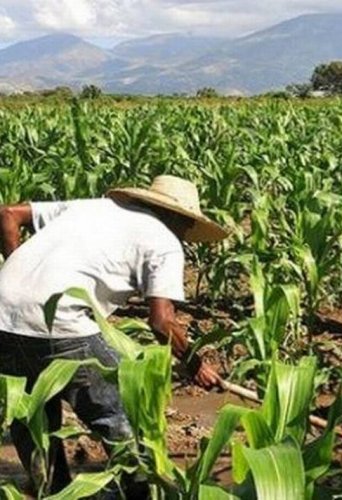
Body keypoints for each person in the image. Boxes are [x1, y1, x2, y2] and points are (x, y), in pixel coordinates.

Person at [0, 175, 227, 496]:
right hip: (61, 322)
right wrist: (195, 363)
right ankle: (142, 493)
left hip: (2, 315)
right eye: (189, 227)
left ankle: (51, 491)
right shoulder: (165, 241)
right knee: (123, 413)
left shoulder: (92, 207)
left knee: (31, 415)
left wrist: (19, 278)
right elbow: (162, 322)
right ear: (180, 218)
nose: (188, 235)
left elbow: (8, 213)